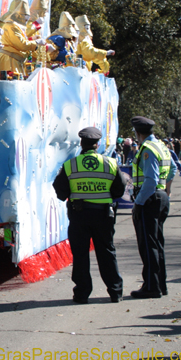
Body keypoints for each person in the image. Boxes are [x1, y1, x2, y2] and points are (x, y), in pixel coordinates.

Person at [54, 127, 127, 303]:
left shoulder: (70, 165)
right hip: (103, 216)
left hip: (79, 216)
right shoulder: (110, 164)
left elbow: (60, 191)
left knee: (80, 256)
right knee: (107, 253)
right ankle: (115, 292)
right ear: (98, 144)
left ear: (81, 144)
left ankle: (82, 293)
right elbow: (120, 189)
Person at [130, 116, 176, 299]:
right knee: (157, 244)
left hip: (149, 198)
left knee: (148, 246)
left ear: (138, 132)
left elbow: (150, 180)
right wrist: (167, 190)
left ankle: (151, 286)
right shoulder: (162, 146)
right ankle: (160, 284)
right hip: (161, 197)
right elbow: (172, 169)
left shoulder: (147, 149)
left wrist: (138, 202)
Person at [0, 0, 52, 76]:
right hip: (9, 61)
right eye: (25, 15)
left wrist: (32, 39)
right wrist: (36, 43)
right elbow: (22, 44)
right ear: (18, 15)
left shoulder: (15, 26)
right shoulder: (11, 26)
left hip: (14, 60)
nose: (27, 19)